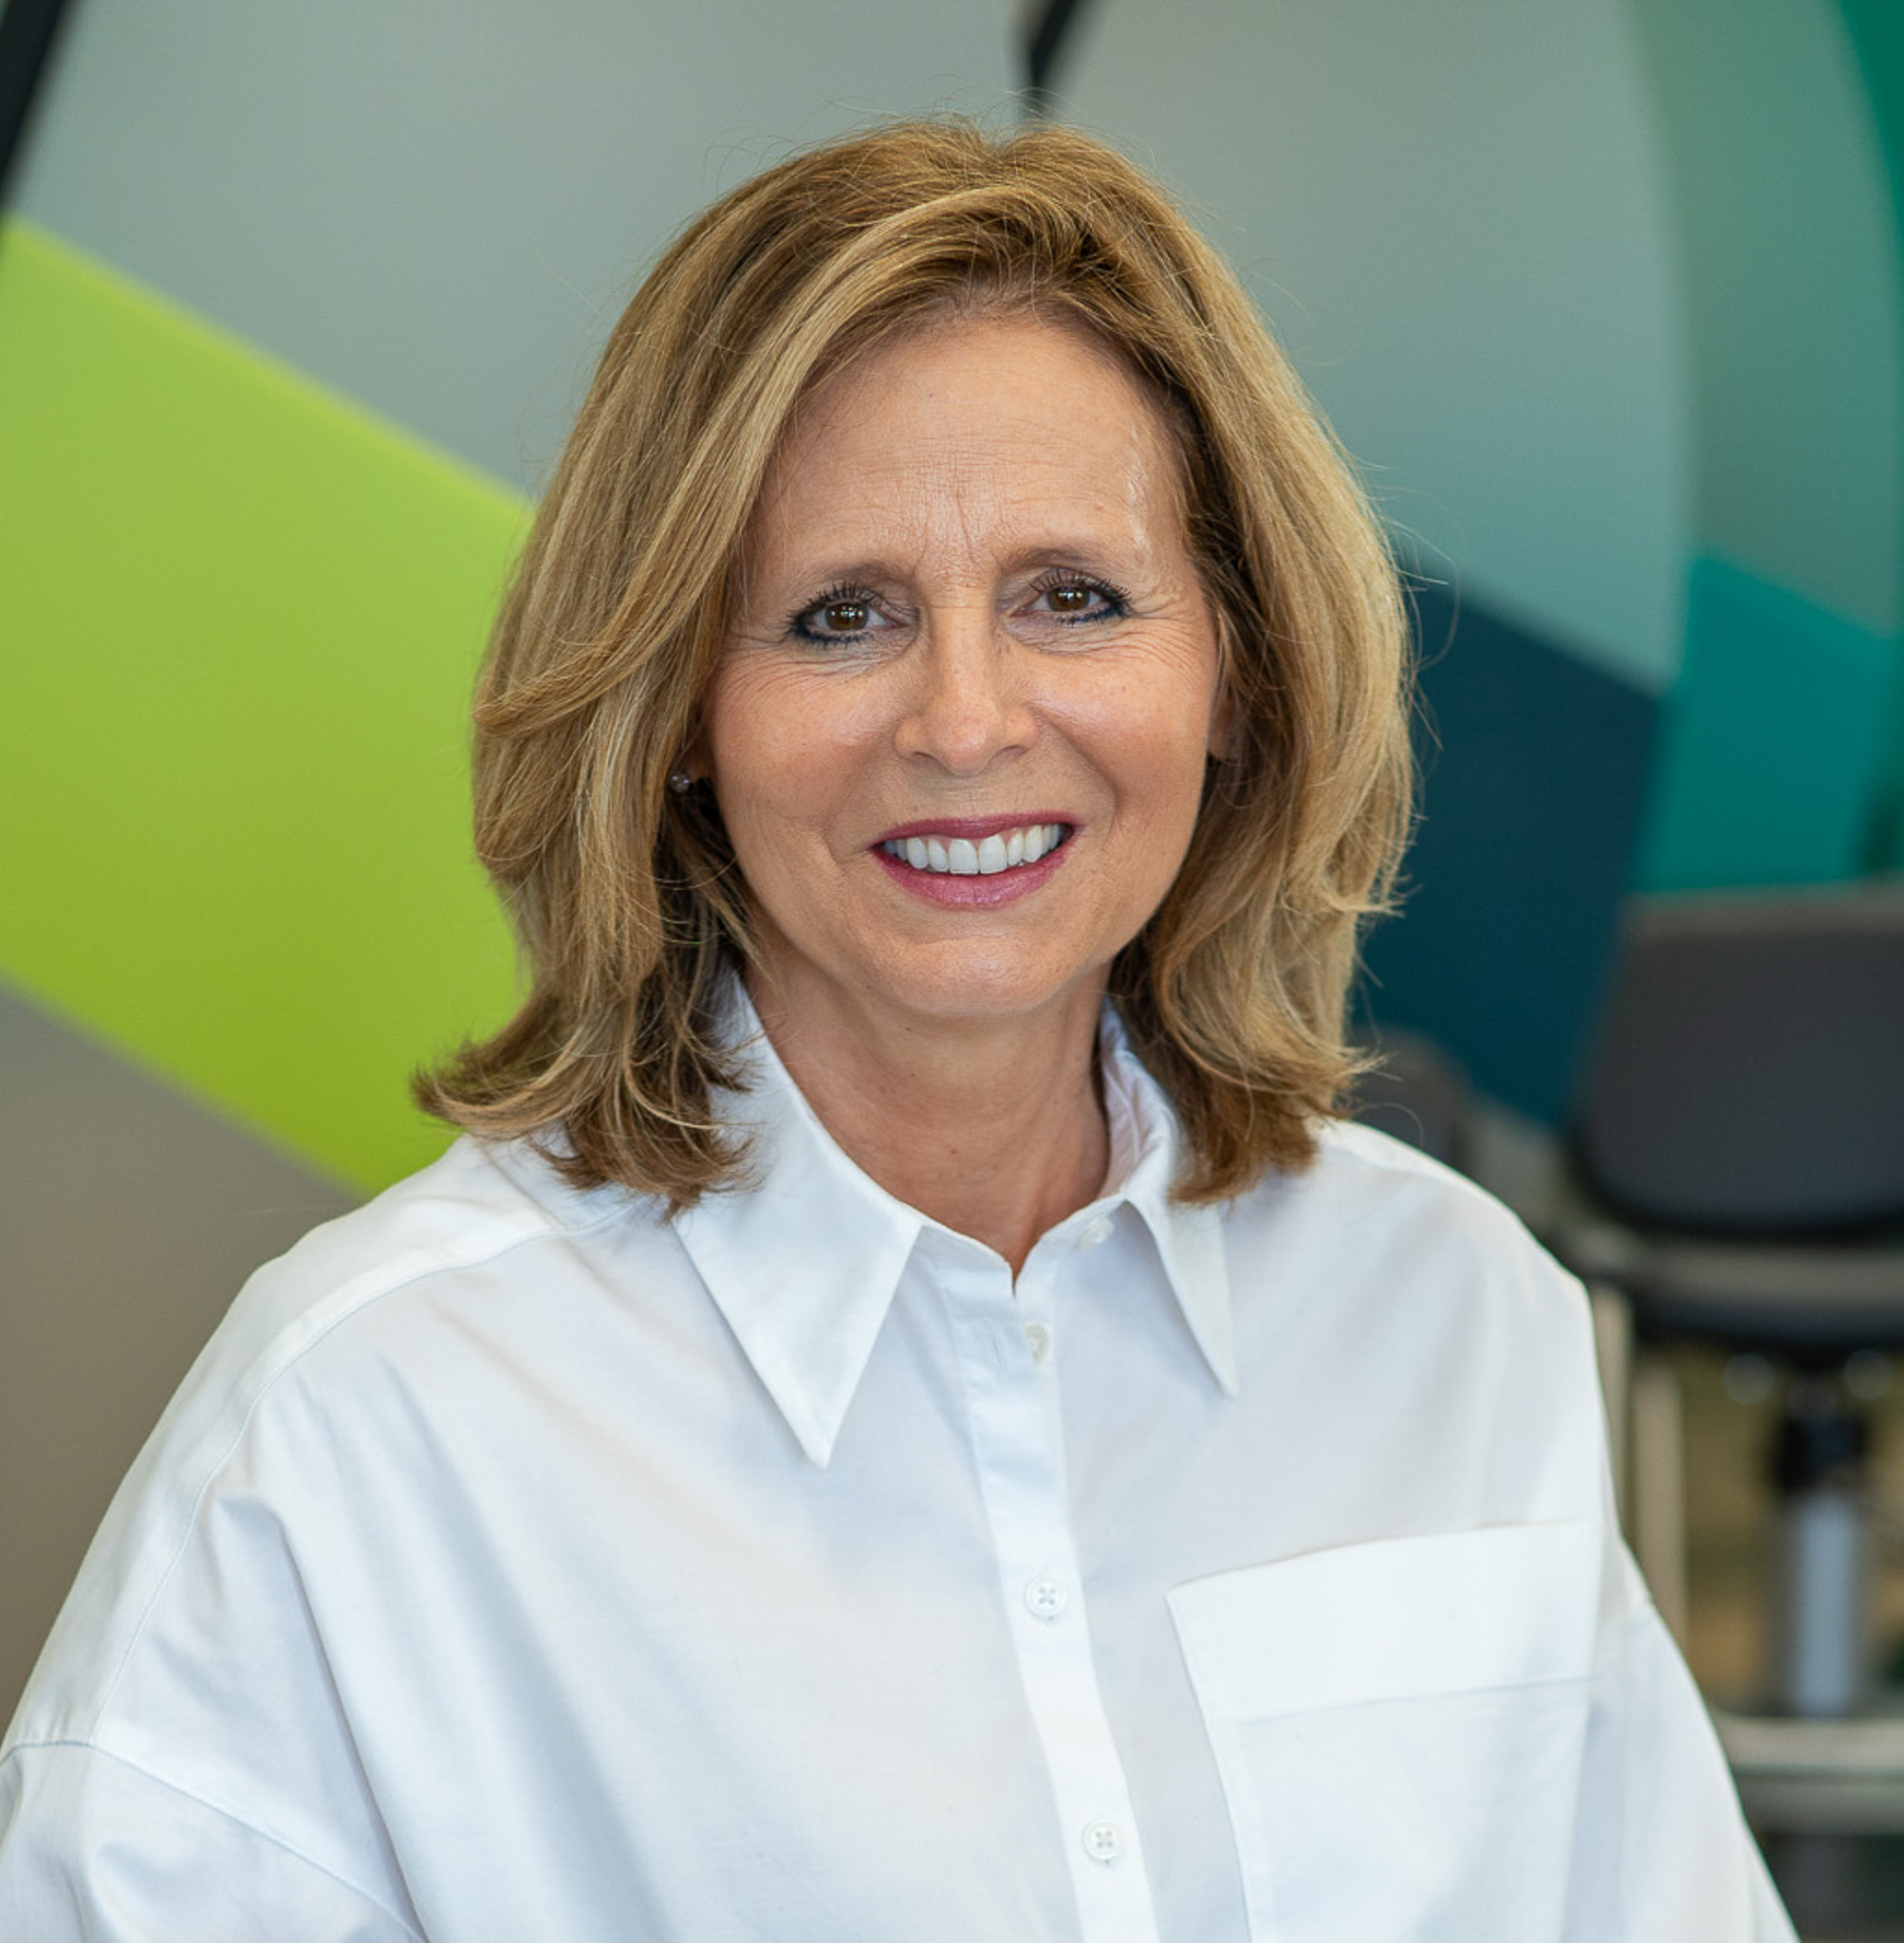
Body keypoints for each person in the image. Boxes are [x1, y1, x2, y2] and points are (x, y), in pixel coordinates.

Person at [0, 120, 1790, 1941]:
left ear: (1237, 674)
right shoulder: (366, 1420)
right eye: (838, 618)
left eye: (1072, 599)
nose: (965, 722)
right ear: (679, 711)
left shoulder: (1457, 1323)